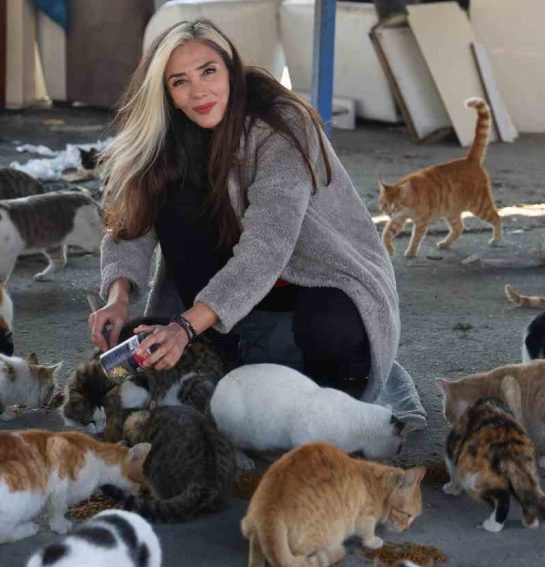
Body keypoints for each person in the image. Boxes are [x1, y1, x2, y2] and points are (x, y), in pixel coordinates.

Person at [89, 18, 416, 414]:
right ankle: (224, 352)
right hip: (227, 290)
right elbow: (132, 224)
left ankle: (335, 398)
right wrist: (118, 297)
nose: (199, 91)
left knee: (330, 328)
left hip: (316, 277)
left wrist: (184, 327)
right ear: (167, 94)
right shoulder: (167, 134)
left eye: (208, 71)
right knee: (131, 340)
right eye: (180, 82)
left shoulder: (281, 125)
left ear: (231, 70)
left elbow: (268, 246)